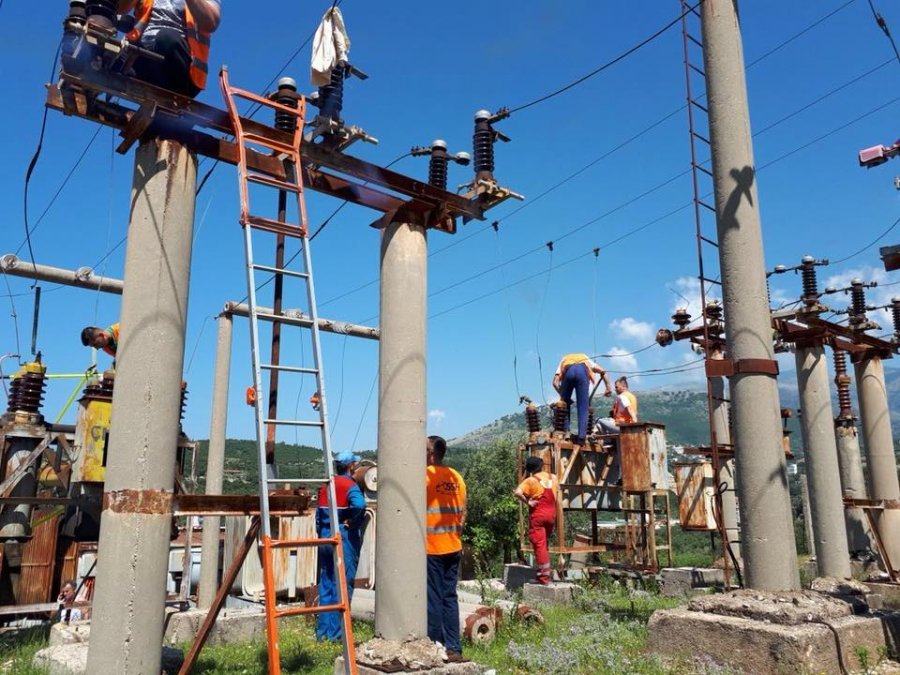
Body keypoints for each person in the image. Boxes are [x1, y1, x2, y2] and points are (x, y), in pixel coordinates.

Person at [113, 0, 221, 98]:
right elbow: (119, 9)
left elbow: (211, 23)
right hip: (142, 58)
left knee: (166, 37)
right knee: (110, 52)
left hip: (182, 72)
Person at [315, 450, 366, 642]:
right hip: (343, 538)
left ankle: (323, 633)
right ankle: (337, 635)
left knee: (327, 583)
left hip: (325, 537)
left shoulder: (325, 485)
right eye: (356, 464)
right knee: (343, 584)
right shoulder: (349, 485)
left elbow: (318, 515)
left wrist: (321, 531)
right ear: (351, 466)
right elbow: (360, 505)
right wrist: (352, 522)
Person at [425, 435, 467, 661]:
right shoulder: (457, 477)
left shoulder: (424, 476)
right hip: (453, 545)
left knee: (432, 597)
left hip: (432, 547)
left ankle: (434, 644)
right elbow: (463, 513)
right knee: (449, 597)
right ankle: (453, 647)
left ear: (431, 454)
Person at [513, 455, 559, 585]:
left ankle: (543, 578)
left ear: (530, 469)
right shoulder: (553, 478)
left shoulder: (531, 480)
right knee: (544, 544)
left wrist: (528, 501)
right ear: (542, 466)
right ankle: (547, 572)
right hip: (551, 515)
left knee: (539, 544)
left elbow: (517, 492)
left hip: (538, 514)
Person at [552, 353, 613, 445]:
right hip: (582, 373)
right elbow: (603, 371)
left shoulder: (564, 359)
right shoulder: (585, 358)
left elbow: (555, 383)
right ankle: (581, 437)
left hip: (569, 372)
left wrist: (564, 396)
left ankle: (566, 434)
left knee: (563, 405)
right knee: (583, 407)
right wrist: (608, 387)